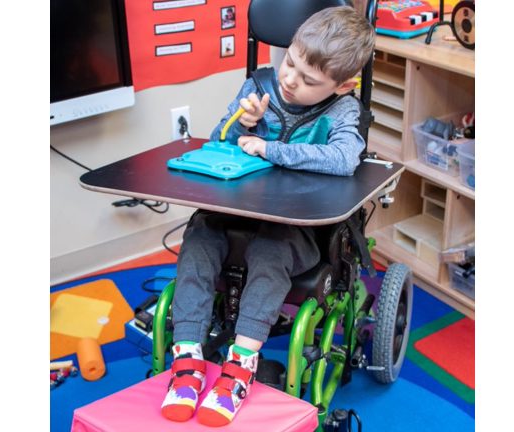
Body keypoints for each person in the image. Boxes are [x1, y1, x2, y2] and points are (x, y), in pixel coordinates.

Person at [161, 5, 375, 427]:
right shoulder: (258, 86)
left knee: (269, 251)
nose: (290, 79)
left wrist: (270, 148)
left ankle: (241, 363)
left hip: (296, 231)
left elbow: (344, 159)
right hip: (236, 214)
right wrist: (244, 124)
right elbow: (219, 140)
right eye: (289, 61)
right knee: (200, 234)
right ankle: (187, 358)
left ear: (343, 85)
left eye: (308, 79)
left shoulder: (343, 111)